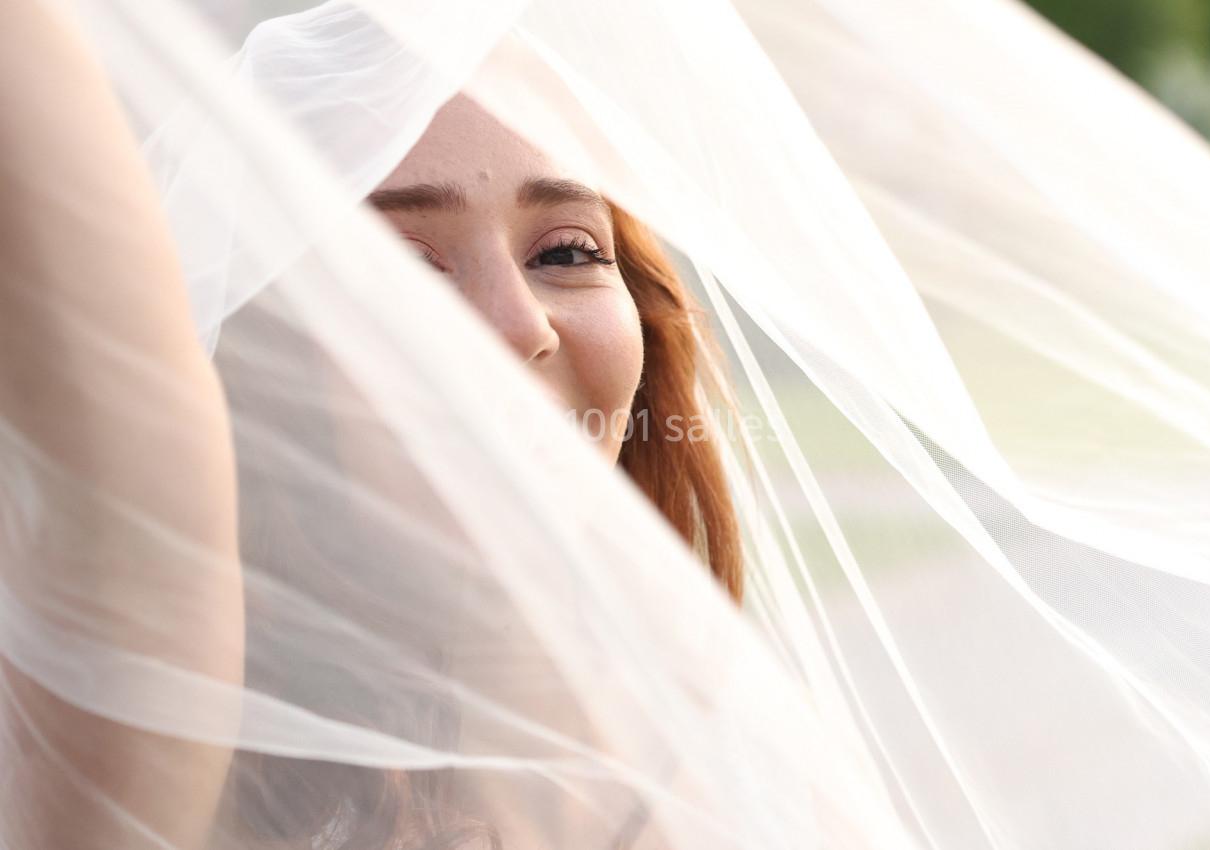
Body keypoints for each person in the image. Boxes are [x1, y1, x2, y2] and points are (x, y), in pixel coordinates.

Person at [0, 3, 741, 848]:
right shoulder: (164, 753)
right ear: (262, 364)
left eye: (566, 252)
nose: (520, 327)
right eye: (397, 270)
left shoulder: (746, 759)